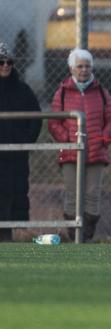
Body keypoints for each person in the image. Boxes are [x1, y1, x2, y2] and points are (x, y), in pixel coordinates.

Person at [48, 48, 111, 242]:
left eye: (87, 66)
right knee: (71, 194)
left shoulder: (101, 92)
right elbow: (53, 122)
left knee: (92, 195)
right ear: (71, 68)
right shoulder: (62, 92)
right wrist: (68, 140)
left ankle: (86, 236)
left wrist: (104, 138)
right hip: (70, 153)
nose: (84, 70)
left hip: (96, 151)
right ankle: (72, 235)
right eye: (80, 66)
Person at [0, 42, 42, 241]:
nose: (6, 66)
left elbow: (36, 118)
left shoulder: (23, 90)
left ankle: (8, 236)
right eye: (1, 62)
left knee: (15, 193)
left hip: (16, 155)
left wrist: (26, 141)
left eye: (9, 62)